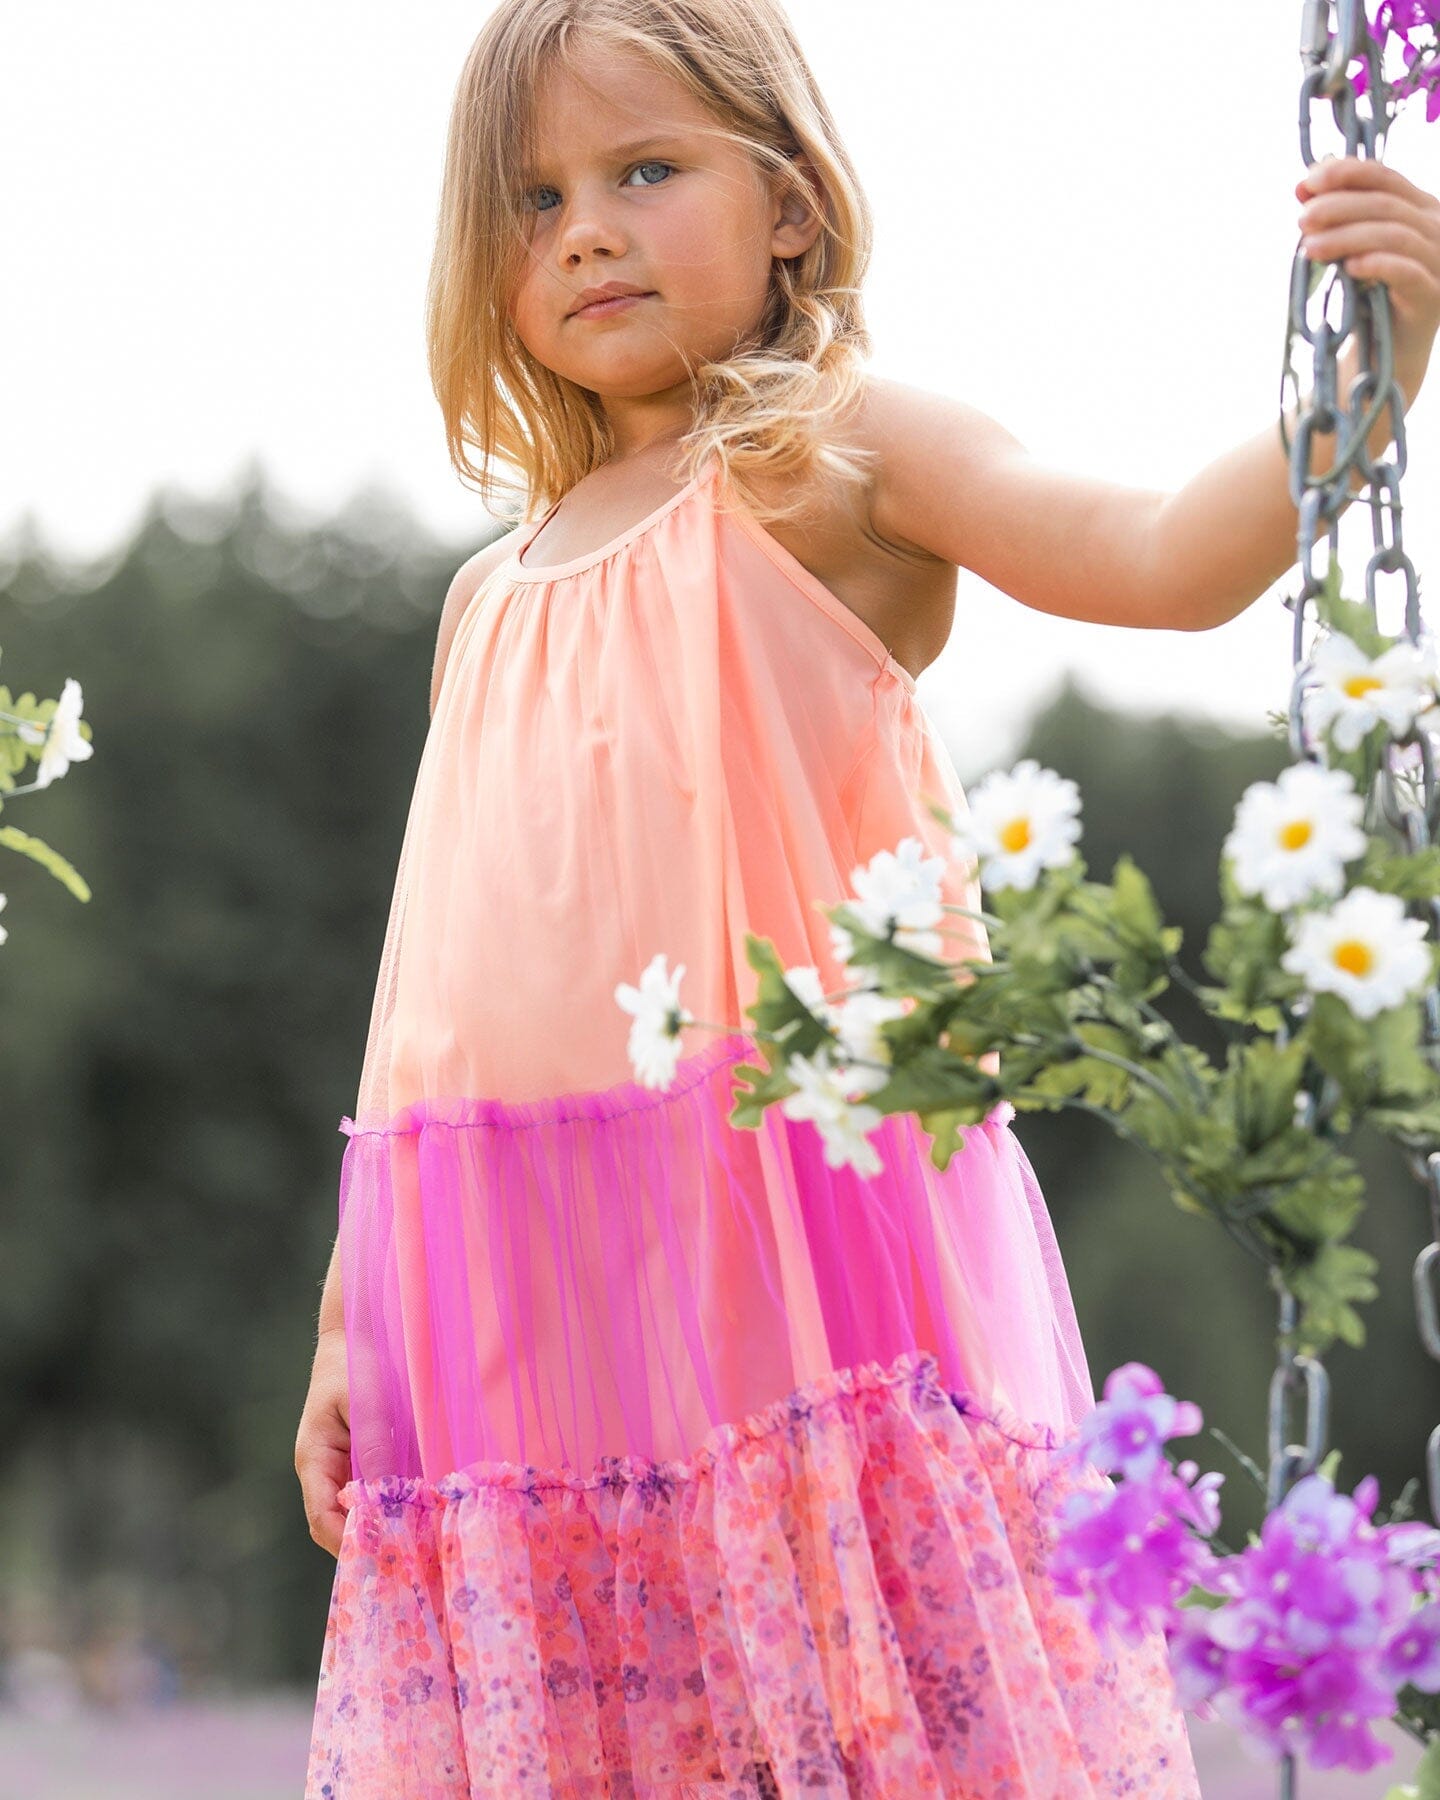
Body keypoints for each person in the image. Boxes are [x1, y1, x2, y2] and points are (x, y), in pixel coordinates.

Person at [294, 2, 1440, 1794]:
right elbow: (419, 989)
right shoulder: (489, 590)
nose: (585, 227)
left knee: (844, 1699)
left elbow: (1156, 558)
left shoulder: (829, 456)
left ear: (791, 208)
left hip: (783, 1231)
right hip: (515, 1279)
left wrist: (1369, 368)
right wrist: (354, 1317)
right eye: (533, 200)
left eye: (645, 170)